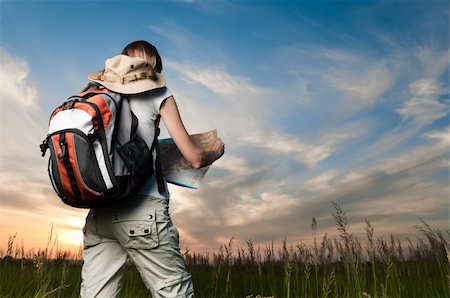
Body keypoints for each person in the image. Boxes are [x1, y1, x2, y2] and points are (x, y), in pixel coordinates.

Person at [80, 40, 225, 298]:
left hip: (100, 212)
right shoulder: (159, 93)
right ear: (155, 67)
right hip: (143, 212)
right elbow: (193, 158)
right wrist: (215, 151)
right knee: (174, 293)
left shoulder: (96, 92)